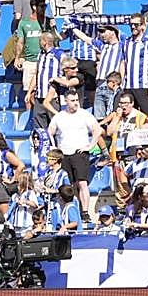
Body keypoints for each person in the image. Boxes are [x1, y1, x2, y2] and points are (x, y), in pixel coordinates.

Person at [47, 90, 101, 225]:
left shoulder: (84, 114)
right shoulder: (59, 116)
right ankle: (71, 210)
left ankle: (85, 212)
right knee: (68, 185)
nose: (76, 103)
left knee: (82, 183)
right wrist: (54, 147)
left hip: (80, 152)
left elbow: (97, 129)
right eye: (73, 100)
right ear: (66, 101)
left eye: (77, 100)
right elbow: (50, 131)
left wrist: (90, 146)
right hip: (64, 153)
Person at [121, 14, 148, 118]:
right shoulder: (126, 43)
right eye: (131, 24)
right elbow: (123, 63)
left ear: (142, 26)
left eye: (136, 25)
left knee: (147, 117)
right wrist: (121, 81)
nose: (133, 27)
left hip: (143, 86)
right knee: (128, 117)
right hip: (128, 86)